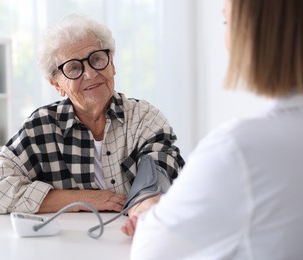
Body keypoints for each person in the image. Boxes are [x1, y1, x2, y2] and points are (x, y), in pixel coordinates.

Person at [129, 0, 303, 259]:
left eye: (227, 21)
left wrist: (152, 216)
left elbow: (149, 253)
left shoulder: (239, 149)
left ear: (254, 32)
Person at [0, 14, 185, 225]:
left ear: (111, 64)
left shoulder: (145, 118)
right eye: (74, 68)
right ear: (57, 84)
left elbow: (158, 178)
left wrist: (144, 214)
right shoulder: (41, 127)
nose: (90, 74)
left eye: (97, 59)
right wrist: (83, 199)